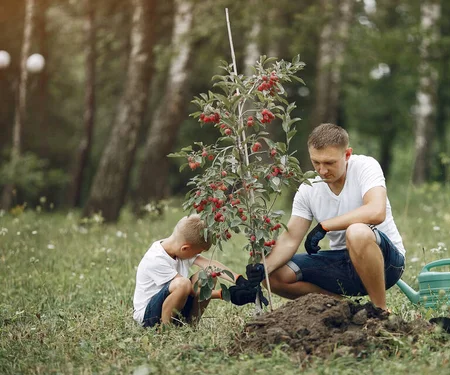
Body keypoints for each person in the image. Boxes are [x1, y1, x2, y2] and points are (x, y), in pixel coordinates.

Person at [246, 123, 406, 310]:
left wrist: (325, 226)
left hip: (387, 263)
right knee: (273, 276)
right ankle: (347, 308)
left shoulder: (365, 166)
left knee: (357, 232)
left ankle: (380, 312)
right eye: (316, 162)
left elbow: (376, 211)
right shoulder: (308, 188)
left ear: (347, 155)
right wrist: (262, 269)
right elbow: (290, 239)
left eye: (329, 163)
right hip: (341, 264)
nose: (322, 171)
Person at [133, 214, 261, 328]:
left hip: (176, 305)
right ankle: (165, 329)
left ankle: (190, 325)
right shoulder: (156, 259)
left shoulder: (179, 250)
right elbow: (189, 290)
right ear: (185, 248)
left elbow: (210, 265)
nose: (198, 255)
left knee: (208, 275)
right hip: (149, 316)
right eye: (198, 252)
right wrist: (225, 294)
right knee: (183, 284)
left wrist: (239, 280)